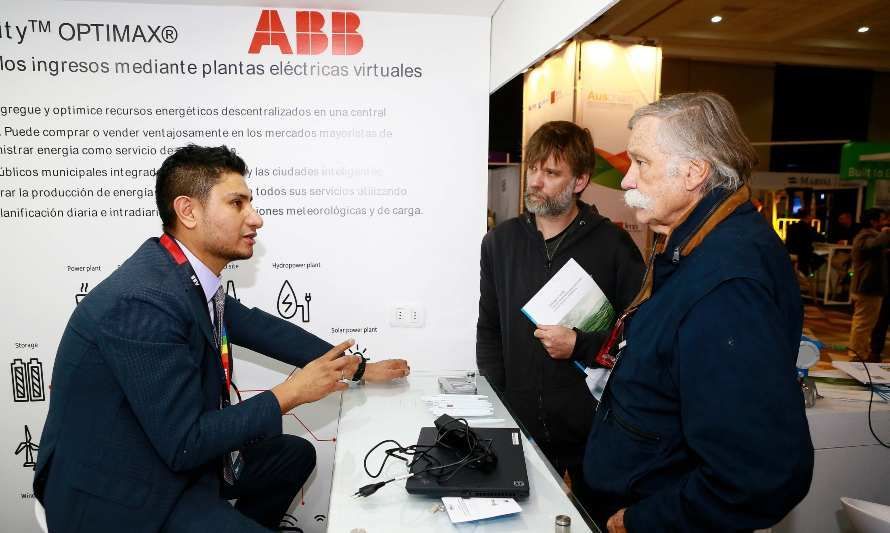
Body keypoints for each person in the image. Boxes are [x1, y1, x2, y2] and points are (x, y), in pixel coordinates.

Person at [33, 145, 410, 533]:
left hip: (169, 457)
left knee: (292, 455)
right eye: (237, 203)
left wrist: (358, 367)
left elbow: (262, 329)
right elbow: (185, 443)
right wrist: (290, 393)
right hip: (122, 495)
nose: (256, 219)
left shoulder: (181, 278)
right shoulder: (143, 301)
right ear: (188, 211)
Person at [583, 92, 813, 532]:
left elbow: (758, 475)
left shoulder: (727, 286)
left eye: (641, 162)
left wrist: (644, 520)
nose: (627, 180)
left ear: (693, 172)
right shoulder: (696, 245)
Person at [476, 121, 644, 511]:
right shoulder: (500, 243)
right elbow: (490, 329)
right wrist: (500, 405)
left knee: (600, 520)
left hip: (596, 430)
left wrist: (579, 345)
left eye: (551, 173)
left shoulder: (614, 245)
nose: (535, 181)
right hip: (521, 425)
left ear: (581, 180)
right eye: (533, 168)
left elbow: (640, 334)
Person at [849, 208, 890, 362]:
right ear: (873, 221)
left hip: (870, 288)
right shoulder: (865, 236)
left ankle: (861, 353)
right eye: (882, 219)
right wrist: (885, 233)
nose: (884, 222)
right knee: (863, 323)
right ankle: (856, 355)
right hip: (867, 288)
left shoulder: (868, 236)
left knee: (867, 323)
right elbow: (871, 246)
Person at [785, 208, 824, 275]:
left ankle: (801, 272)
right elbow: (821, 239)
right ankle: (806, 273)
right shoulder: (808, 228)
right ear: (808, 216)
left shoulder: (791, 226)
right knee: (821, 258)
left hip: (789, 252)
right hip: (802, 254)